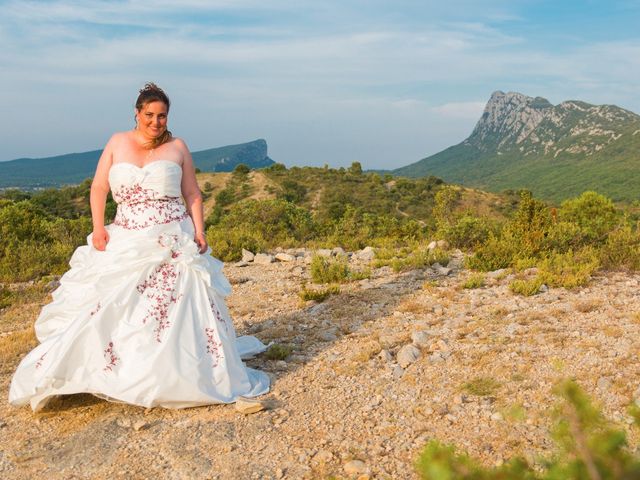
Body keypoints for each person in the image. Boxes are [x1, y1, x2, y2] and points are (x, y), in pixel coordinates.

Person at [9, 83, 270, 412]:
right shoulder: (118, 142)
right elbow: (99, 186)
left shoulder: (178, 146)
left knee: (173, 306)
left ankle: (176, 372)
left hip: (172, 234)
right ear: (137, 113)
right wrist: (98, 228)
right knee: (110, 304)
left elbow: (192, 193)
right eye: (149, 115)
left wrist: (200, 231)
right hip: (127, 234)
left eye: (162, 116)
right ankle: (101, 369)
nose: (156, 121)